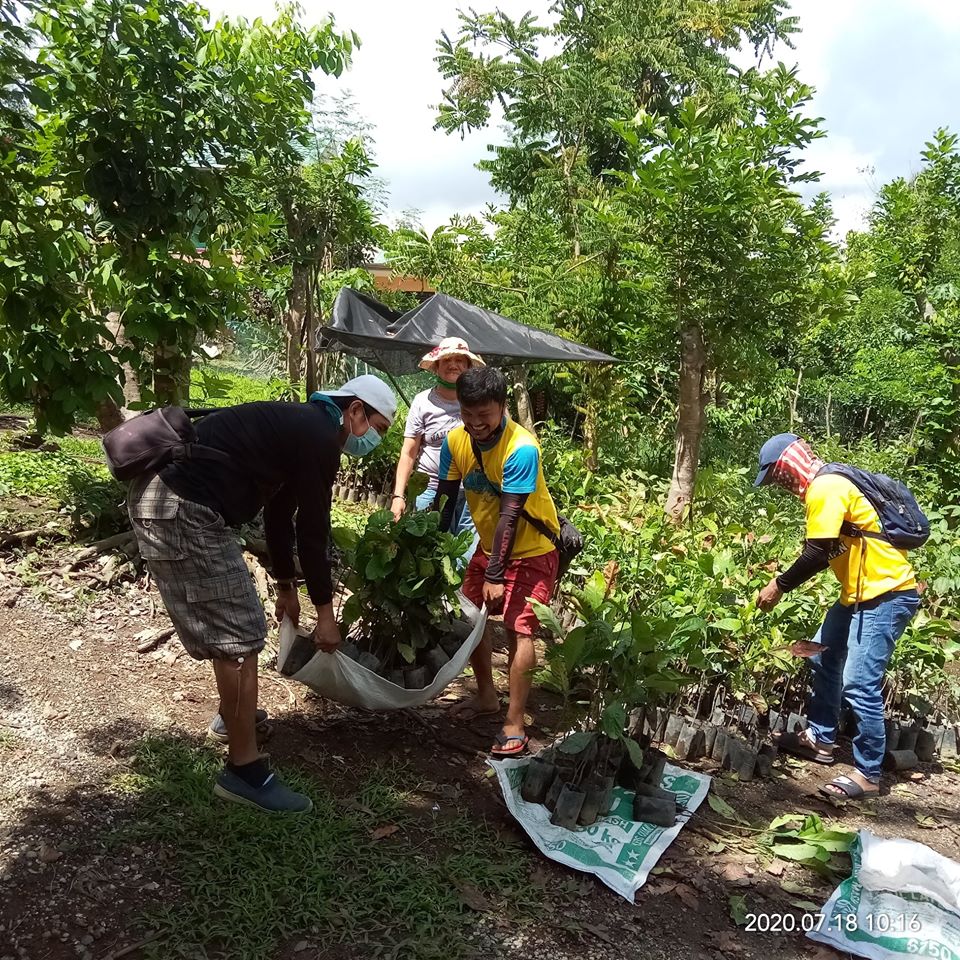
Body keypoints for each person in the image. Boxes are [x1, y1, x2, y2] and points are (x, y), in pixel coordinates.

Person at [127, 375, 396, 813]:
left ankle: (234, 721)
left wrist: (288, 587)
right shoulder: (320, 437)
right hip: (180, 507)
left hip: (172, 500)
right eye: (379, 428)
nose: (375, 440)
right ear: (356, 411)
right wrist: (324, 615)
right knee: (241, 636)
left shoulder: (305, 426)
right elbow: (312, 532)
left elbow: (278, 513)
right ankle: (244, 772)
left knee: (238, 628)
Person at [753, 433, 920, 801]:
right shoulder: (828, 486)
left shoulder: (825, 487)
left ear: (787, 467)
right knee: (822, 656)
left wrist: (778, 586)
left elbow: (816, 553)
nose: (780, 486)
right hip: (858, 597)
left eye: (776, 477)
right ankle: (820, 739)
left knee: (860, 683)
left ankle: (868, 774)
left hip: (885, 597)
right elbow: (829, 548)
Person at [433, 366, 560, 756]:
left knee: (519, 629)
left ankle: (515, 720)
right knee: (471, 621)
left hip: (533, 550)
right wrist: (432, 547)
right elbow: (447, 498)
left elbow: (509, 514)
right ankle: (486, 697)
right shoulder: (455, 440)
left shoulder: (522, 448)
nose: (475, 424)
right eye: (467, 415)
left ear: (502, 407)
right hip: (490, 548)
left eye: (483, 416)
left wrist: (495, 573)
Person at [390, 338, 481, 561]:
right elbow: (408, 452)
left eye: (460, 360)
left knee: (464, 559)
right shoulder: (423, 402)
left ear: (468, 367)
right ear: (436, 366)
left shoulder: (479, 402)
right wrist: (398, 495)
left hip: (472, 492)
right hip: (430, 488)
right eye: (447, 359)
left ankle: (458, 598)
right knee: (426, 555)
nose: (453, 364)